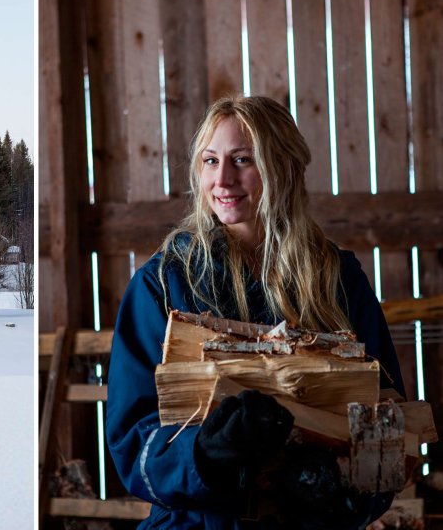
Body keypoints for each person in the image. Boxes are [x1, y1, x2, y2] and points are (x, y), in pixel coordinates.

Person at [105, 95, 405, 529]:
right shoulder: (163, 284)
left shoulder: (338, 279)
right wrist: (204, 453)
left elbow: (387, 422)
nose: (223, 179)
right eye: (210, 161)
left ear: (283, 167)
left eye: (243, 159)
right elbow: (132, 441)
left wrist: (334, 489)